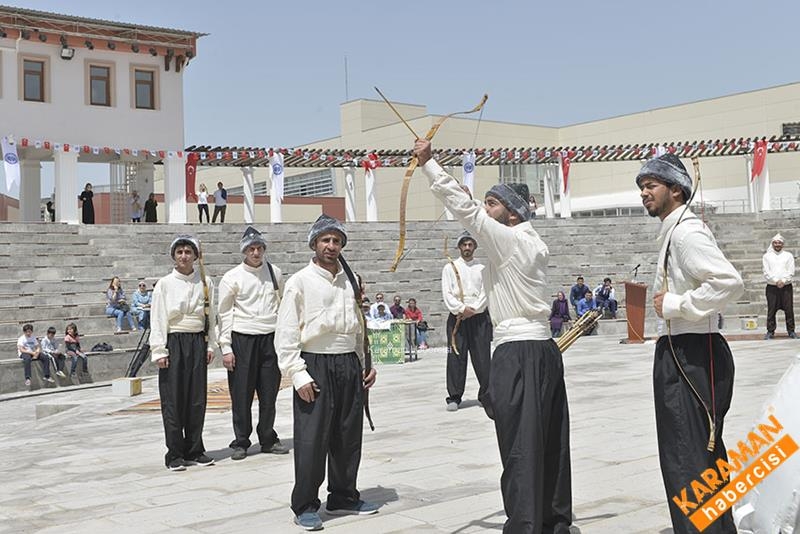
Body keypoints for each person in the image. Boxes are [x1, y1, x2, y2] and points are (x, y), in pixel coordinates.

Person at [415, 138, 571, 533]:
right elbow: (478, 217)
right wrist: (481, 211)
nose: (486, 210)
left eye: (493, 204)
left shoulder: (510, 239)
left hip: (516, 351)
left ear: (513, 214)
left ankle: (524, 523)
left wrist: (430, 164)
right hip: (543, 350)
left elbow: (467, 213)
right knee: (550, 441)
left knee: (519, 444)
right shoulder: (530, 241)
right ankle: (553, 521)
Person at [637, 153, 743, 533]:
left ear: (676, 190)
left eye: (651, 185)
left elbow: (728, 282)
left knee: (688, 454)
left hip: (691, 351)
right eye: (641, 187)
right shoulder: (674, 229)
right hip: (684, 348)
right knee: (698, 452)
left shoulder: (686, 232)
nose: (644, 193)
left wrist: (677, 304)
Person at [275, 214, 378, 531]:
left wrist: (365, 364)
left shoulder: (350, 279)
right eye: (325, 240)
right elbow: (286, 334)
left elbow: (358, 327)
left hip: (348, 362)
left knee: (348, 435)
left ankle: (344, 495)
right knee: (311, 438)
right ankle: (305, 504)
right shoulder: (299, 282)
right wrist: (298, 374)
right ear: (314, 244)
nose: (331, 246)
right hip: (315, 363)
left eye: (336, 241)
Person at [218, 226, 289, 461]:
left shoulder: (275, 273)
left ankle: (268, 437)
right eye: (251, 249)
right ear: (244, 251)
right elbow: (224, 314)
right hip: (242, 338)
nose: (256, 253)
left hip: (269, 338)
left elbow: (282, 305)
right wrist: (226, 348)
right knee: (241, 395)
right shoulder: (232, 277)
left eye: (259, 248)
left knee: (269, 394)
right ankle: (241, 440)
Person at [150, 235, 218, 472]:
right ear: (174, 256)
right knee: (173, 399)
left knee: (196, 399)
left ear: (196, 256)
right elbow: (157, 317)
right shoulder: (165, 284)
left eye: (188, 252)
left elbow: (212, 315)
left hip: (197, 340)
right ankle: (175, 453)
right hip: (174, 341)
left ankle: (195, 449)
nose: (184, 256)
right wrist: (159, 350)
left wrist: (210, 345)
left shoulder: (206, 282)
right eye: (179, 252)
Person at [441, 230, 491, 412]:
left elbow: (487, 292)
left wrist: (474, 309)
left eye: (470, 245)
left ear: (475, 247)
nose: (467, 248)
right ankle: (454, 396)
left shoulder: (482, 268)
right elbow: (447, 293)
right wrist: (462, 309)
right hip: (458, 318)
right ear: (459, 247)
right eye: (464, 244)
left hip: (478, 318)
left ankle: (486, 394)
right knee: (456, 357)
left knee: (483, 358)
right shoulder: (450, 267)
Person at [762, 233, 796, 339]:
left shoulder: (788, 256)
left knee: (789, 310)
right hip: (772, 287)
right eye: (775, 243)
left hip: (786, 287)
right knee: (771, 310)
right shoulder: (767, 256)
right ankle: (770, 331)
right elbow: (766, 271)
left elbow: (791, 271)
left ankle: (791, 331)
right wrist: (776, 281)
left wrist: (784, 280)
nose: (777, 244)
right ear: (772, 244)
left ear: (783, 244)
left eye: (779, 243)